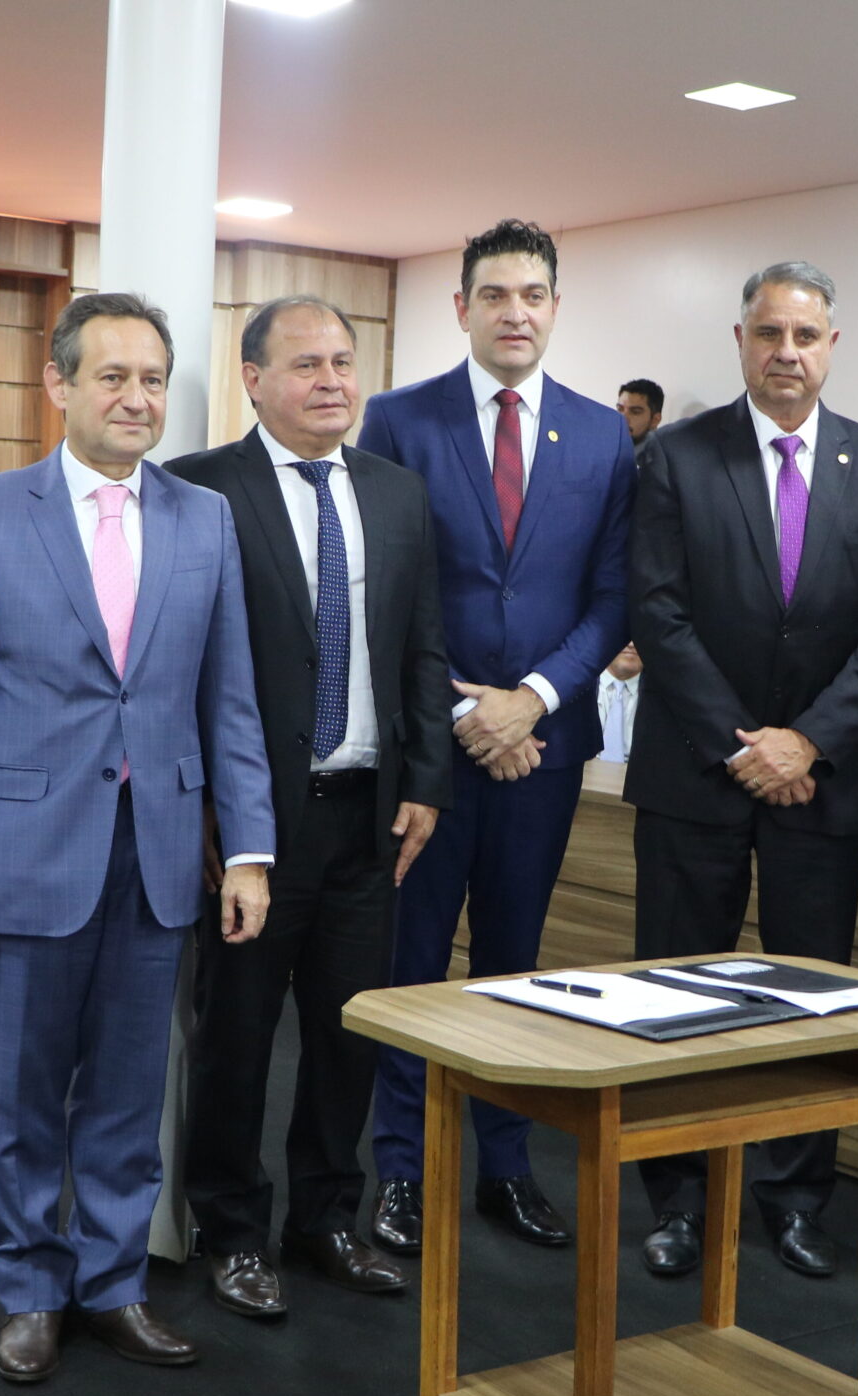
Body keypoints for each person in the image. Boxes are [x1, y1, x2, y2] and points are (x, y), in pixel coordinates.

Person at [0, 292, 276, 1382]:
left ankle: (111, 1282)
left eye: (153, 378)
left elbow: (232, 701)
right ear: (58, 385)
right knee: (22, 1095)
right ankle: (29, 1283)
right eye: (111, 376)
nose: (136, 397)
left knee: (125, 1091)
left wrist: (245, 846)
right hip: (24, 848)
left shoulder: (203, 519)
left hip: (157, 853)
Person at [625, 261, 858, 1280]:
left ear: (833, 344)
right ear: (739, 340)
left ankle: (795, 1197)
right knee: (673, 992)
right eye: (769, 333)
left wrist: (808, 741)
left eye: (806, 335)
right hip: (693, 774)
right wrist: (742, 744)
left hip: (820, 780)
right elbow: (655, 611)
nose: (786, 352)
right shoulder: (673, 458)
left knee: (809, 996)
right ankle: (675, 1198)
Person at [166, 297, 450, 1321]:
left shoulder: (398, 495)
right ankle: (233, 1230)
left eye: (343, 361)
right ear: (251, 377)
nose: (332, 379)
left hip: (366, 817)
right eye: (305, 363)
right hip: (251, 823)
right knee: (236, 1036)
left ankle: (326, 1218)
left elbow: (423, 647)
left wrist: (423, 783)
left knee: (347, 1034)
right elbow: (177, 667)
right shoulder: (199, 491)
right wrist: (203, 806)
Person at [357, 219, 635, 1254]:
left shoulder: (600, 434)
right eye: (496, 293)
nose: (516, 311)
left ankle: (506, 1164)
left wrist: (532, 697)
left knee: (516, 963)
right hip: (431, 753)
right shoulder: (397, 418)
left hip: (543, 750)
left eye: (533, 294)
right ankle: (396, 1168)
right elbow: (382, 589)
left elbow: (612, 597)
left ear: (555, 307)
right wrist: (467, 711)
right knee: (412, 962)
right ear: (461, 306)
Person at [598, 642, 642, 763]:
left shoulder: (663, 696)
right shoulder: (578, 687)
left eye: (636, 637)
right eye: (626, 635)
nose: (632, 644)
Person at [618, 379, 665, 449]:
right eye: (620, 409)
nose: (623, 418)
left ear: (655, 420)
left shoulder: (662, 457)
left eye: (635, 412)